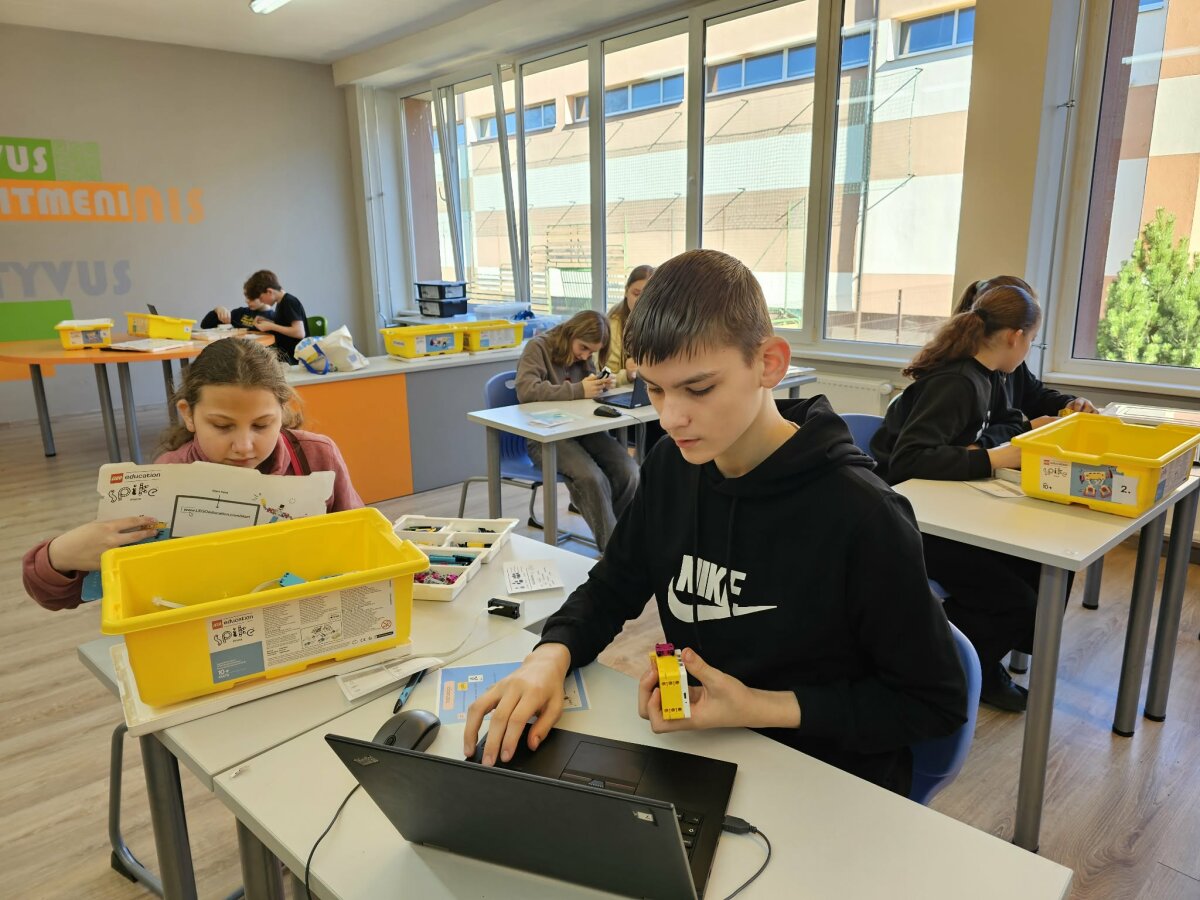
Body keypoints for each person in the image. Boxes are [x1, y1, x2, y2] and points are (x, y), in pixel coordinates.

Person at [467, 249, 967, 796]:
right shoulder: (671, 466)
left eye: (699, 389)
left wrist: (756, 706)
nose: (670, 418)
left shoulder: (864, 515)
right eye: (655, 388)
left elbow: (933, 703)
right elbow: (612, 586)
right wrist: (549, 656)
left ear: (769, 363)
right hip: (703, 752)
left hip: (826, 777)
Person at [22, 338, 363, 611]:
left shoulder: (317, 455)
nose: (244, 446)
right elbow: (56, 593)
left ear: (283, 410)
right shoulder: (165, 479)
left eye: (262, 425)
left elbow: (361, 539)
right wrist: (58, 556)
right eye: (222, 426)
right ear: (188, 414)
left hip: (302, 613)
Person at [870, 283, 1043, 712]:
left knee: (1032, 566)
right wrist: (991, 457)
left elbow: (1011, 423)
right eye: (1033, 340)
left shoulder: (991, 376)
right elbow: (909, 461)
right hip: (905, 521)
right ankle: (948, 666)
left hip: (943, 506)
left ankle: (977, 659)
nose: (1029, 349)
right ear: (1015, 337)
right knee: (1016, 600)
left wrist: (978, 449)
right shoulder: (957, 382)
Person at [514, 310, 639, 552]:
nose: (584, 356)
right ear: (571, 333)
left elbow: (585, 389)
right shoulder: (538, 348)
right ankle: (614, 553)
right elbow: (527, 391)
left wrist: (601, 385)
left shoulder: (583, 356)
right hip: (546, 439)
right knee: (591, 477)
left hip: (582, 430)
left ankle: (624, 540)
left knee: (629, 471)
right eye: (583, 348)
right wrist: (579, 390)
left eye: (591, 352)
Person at [954, 275, 1097, 433]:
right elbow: (976, 439)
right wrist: (1026, 428)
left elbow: (1035, 397)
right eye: (1031, 338)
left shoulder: (1008, 365)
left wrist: (1069, 404)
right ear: (1014, 336)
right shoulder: (962, 377)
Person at [242, 270, 307, 364]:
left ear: (269, 291)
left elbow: (299, 333)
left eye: (261, 298)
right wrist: (268, 322)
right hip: (286, 354)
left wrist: (272, 326)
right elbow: (285, 325)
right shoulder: (280, 303)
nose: (262, 302)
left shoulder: (289, 301)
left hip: (295, 358)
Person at [606, 265, 655, 386]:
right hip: (621, 391)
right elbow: (603, 376)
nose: (641, 302)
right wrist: (627, 375)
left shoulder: (663, 323)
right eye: (636, 294)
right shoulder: (612, 325)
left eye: (648, 297)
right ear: (626, 291)